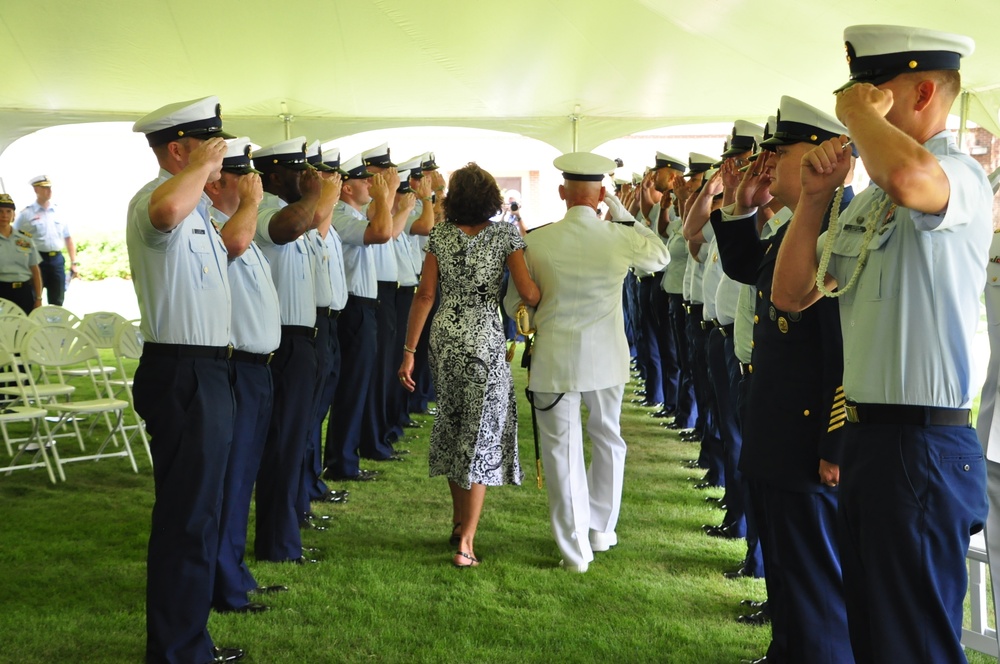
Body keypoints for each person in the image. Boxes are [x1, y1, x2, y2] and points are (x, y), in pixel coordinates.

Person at [771, 25, 991, 663]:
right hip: (870, 442)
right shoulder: (871, 200)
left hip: (922, 444)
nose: (855, 109)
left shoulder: (956, 175)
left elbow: (911, 179)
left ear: (923, 92)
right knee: (874, 635)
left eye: (872, 95)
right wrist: (813, 202)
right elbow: (792, 296)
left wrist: (855, 118)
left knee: (913, 644)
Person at [713, 96, 855, 663]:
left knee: (814, 584)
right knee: (789, 579)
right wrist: (740, 206)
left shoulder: (841, 230)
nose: (766, 164)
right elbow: (746, 267)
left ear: (822, 155)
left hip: (806, 441)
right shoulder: (800, 227)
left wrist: (834, 443)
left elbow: (842, 351)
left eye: (781, 152)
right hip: (777, 432)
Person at [504, 152, 669, 573]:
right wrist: (616, 207)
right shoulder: (618, 236)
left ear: (561, 193)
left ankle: (576, 551)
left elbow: (514, 304)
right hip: (606, 359)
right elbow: (659, 257)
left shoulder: (536, 241)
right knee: (609, 439)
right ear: (599, 195)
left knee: (562, 452)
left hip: (556, 358)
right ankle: (601, 529)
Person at [128, 96, 244, 664]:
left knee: (203, 513)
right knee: (186, 517)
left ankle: (189, 641)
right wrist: (201, 167)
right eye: (212, 146)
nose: (222, 159)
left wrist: (210, 174)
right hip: (182, 372)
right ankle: (176, 652)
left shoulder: (197, 203)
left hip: (209, 370)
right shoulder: (156, 201)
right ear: (179, 149)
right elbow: (165, 213)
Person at [398, 162, 539, 568]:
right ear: (492, 198)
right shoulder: (505, 235)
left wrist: (409, 351)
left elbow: (425, 296)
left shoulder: (441, 234)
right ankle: (467, 545)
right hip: (483, 339)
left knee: (455, 425)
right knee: (480, 436)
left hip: (444, 337)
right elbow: (527, 291)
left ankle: (460, 523)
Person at [203, 137, 284, 615]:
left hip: (258, 370)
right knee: (229, 483)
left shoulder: (242, 228)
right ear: (216, 186)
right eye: (242, 178)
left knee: (243, 479)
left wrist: (251, 207)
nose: (253, 185)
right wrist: (252, 204)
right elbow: (230, 246)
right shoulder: (220, 230)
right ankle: (223, 583)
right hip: (236, 368)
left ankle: (235, 572)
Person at [15, 175, 77, 306]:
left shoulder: (59, 211)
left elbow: (68, 237)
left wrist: (74, 262)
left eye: (50, 188)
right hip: (36, 260)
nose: (49, 191)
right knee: (34, 299)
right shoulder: (26, 214)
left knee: (57, 299)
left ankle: (54, 325)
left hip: (56, 260)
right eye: (44, 188)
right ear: (36, 190)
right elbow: (14, 236)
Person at [0, 193, 42, 313]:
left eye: (8, 211)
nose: (4, 215)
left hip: (23, 292)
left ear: (14, 215)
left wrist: (38, 298)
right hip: (1, 291)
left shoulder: (25, 240)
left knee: (25, 329)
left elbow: (35, 270)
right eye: (0, 211)